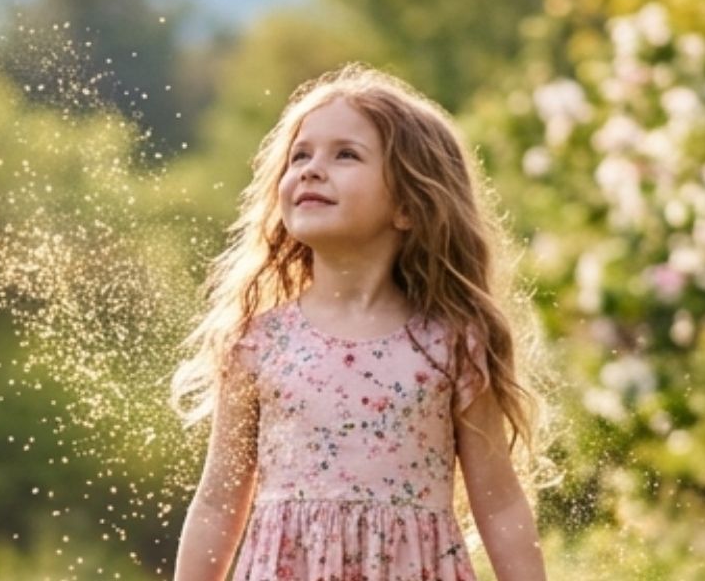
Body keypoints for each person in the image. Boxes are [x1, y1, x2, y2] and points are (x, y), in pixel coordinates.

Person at [170, 62, 549, 580]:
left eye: (345, 154)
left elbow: (500, 504)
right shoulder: (258, 342)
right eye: (300, 155)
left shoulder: (450, 344)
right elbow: (217, 502)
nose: (311, 169)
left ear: (408, 206)